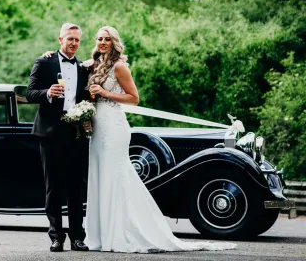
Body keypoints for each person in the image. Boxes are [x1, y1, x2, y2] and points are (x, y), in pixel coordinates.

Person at [42, 26, 237, 253]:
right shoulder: (91, 64)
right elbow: (65, 61)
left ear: (114, 42)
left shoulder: (120, 66)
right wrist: (49, 55)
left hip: (114, 127)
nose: (103, 42)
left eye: (107, 39)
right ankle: (100, 235)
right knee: (99, 179)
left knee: (115, 177)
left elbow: (134, 98)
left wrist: (105, 93)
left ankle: (122, 233)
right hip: (95, 130)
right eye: (99, 39)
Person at [26, 23, 90, 252]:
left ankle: (78, 237)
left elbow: (87, 96)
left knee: (76, 187)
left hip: (76, 133)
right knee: (53, 186)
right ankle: (56, 236)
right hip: (50, 133)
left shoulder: (83, 67)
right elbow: (29, 93)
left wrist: (87, 116)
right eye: (70, 38)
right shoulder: (44, 62)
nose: (73, 43)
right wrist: (48, 93)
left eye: (77, 40)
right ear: (60, 39)